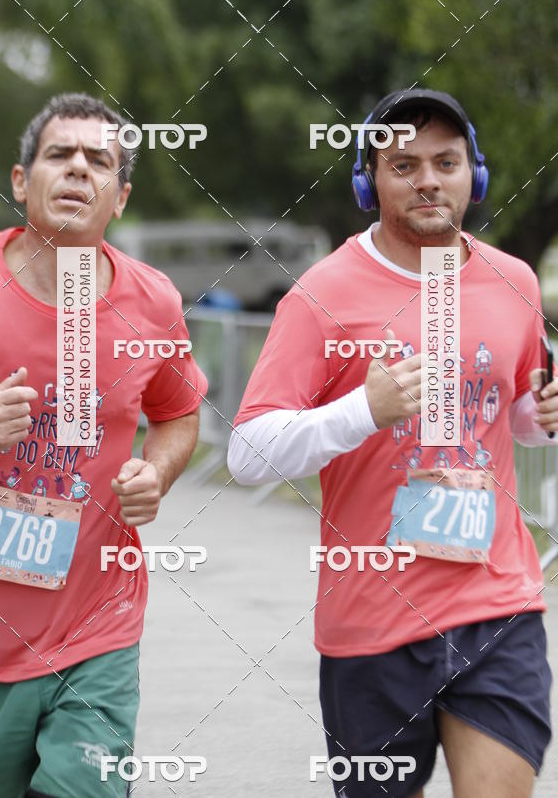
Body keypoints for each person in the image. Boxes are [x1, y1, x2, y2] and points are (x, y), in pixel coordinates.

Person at [228, 89, 555, 797]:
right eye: (404, 164)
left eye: (447, 161)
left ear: (477, 175)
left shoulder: (515, 281)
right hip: (372, 623)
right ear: (368, 181)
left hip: (497, 606)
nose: (429, 179)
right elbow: (247, 454)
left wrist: (543, 415)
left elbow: (517, 418)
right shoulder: (320, 295)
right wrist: (363, 411)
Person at [0, 92, 208, 797]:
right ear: (19, 180)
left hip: (98, 630)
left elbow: (179, 414)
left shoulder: (151, 302)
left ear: (119, 196)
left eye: (99, 161)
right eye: (59, 154)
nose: (78, 169)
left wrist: (155, 474)